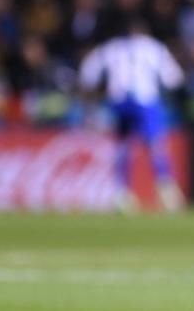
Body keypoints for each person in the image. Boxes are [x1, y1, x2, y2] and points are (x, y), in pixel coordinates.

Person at [78, 18, 185, 212]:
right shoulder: (153, 47)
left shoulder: (110, 48)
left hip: (119, 102)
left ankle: (122, 194)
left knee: (122, 147)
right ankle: (165, 189)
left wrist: (95, 93)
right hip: (145, 101)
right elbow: (173, 78)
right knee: (155, 145)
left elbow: (88, 73)